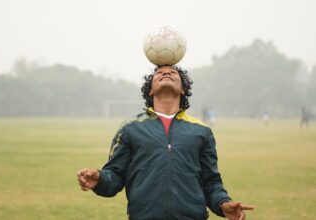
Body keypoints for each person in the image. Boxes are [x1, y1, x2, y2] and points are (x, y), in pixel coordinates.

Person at [77, 65, 254, 220]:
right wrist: (99, 179)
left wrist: (223, 204)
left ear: (183, 89)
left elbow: (211, 183)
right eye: (159, 73)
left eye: (173, 72)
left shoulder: (201, 131)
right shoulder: (130, 129)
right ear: (150, 90)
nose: (166, 73)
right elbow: (114, 177)